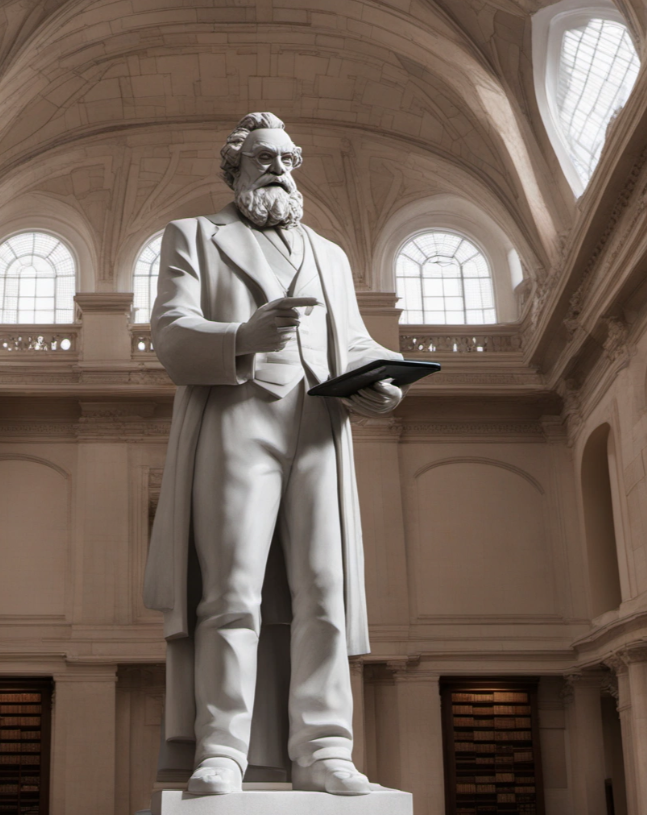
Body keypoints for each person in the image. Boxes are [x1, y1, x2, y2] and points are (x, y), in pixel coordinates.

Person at [144, 112, 405, 795]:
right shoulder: (195, 237)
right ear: (235, 168)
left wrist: (381, 381)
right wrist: (242, 334)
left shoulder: (330, 254)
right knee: (230, 592)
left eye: (289, 158)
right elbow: (170, 335)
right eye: (265, 157)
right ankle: (223, 748)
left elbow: (352, 342)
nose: (280, 168)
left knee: (324, 588)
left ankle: (323, 747)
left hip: (319, 424)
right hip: (237, 418)